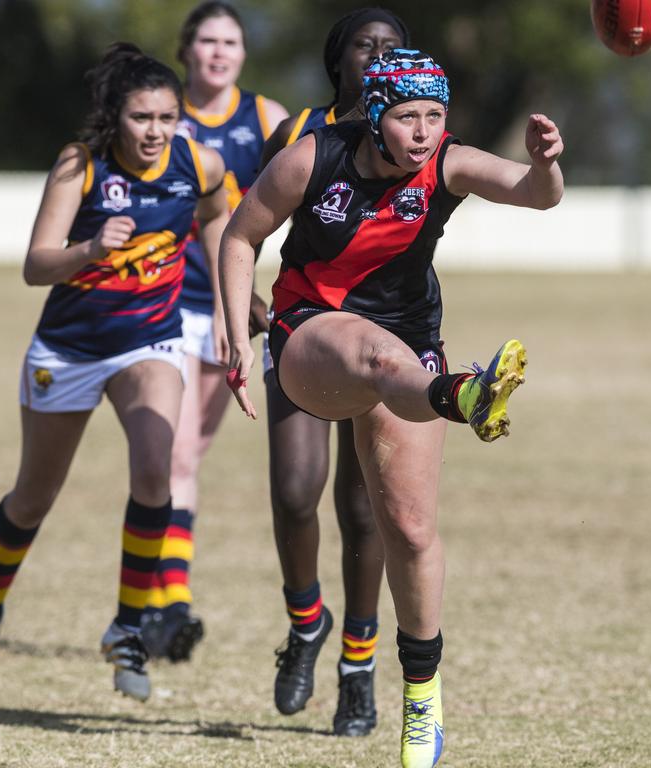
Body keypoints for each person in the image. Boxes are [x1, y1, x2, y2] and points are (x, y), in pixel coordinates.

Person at [219, 49, 563, 768]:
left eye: (436, 116)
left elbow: (536, 195)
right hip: (311, 334)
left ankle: (421, 694)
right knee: (375, 358)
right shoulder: (311, 160)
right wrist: (234, 337)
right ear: (375, 114)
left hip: (414, 351)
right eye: (408, 116)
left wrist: (546, 162)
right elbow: (240, 236)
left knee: (407, 530)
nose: (423, 132)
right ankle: (463, 394)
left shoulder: (447, 162)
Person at [0, 42, 228, 704]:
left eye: (167, 117)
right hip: (68, 349)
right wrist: (87, 249)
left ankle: (127, 628)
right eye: (142, 118)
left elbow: (221, 215)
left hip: (151, 343)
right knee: (33, 498)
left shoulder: (200, 161)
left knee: (157, 468)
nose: (156, 131)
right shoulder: (81, 164)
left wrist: (226, 294)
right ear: (116, 116)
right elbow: (35, 265)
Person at [255, 8, 409, 739]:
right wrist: (238, 297)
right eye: (364, 46)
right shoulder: (299, 135)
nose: (378, 56)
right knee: (293, 494)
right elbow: (241, 217)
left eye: (391, 47)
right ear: (337, 60)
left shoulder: (417, 130)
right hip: (302, 329)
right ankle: (305, 621)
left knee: (362, 508)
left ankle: (357, 664)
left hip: (388, 335)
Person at [140, 0, 289, 662]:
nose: (219, 51)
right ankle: (170, 603)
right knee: (169, 456)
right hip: (166, 305)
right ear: (187, 49)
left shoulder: (268, 119)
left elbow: (311, 191)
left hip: (233, 309)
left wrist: (257, 298)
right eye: (207, 40)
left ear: (242, 53)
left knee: (187, 455)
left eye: (230, 40)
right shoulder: (158, 116)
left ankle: (158, 597)